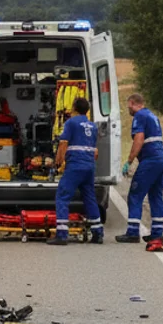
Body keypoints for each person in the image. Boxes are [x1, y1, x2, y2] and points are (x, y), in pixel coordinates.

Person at [48, 96, 105, 246]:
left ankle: (61, 235)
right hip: (89, 167)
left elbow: (63, 144)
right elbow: (95, 151)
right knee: (90, 198)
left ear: (74, 108)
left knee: (62, 196)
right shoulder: (93, 126)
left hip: (75, 166)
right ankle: (98, 233)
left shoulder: (71, 123)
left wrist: (57, 163)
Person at [117, 93, 163, 243]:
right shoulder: (152, 116)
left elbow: (139, 139)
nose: (128, 109)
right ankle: (157, 232)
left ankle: (133, 232)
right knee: (155, 195)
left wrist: (129, 161)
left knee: (135, 194)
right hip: (161, 159)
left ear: (133, 103)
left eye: (128, 106)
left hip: (150, 160)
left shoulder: (139, 116)